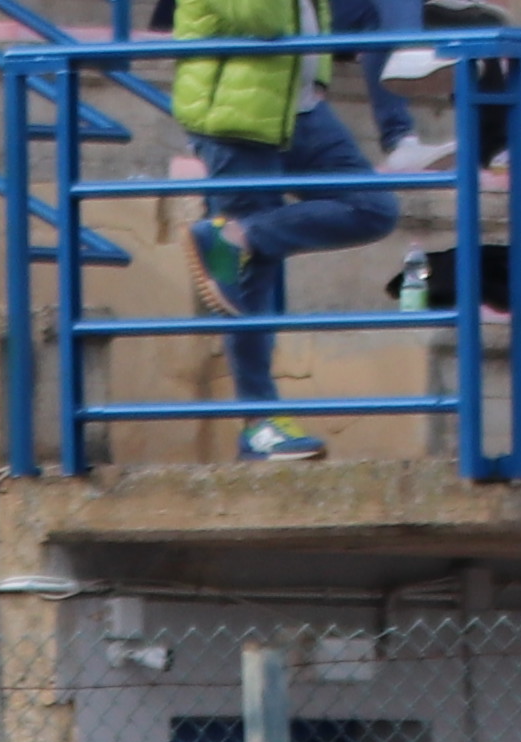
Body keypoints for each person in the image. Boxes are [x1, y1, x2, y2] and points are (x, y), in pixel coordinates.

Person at [172, 0, 399, 461]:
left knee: (374, 207)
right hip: (236, 113)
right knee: (250, 281)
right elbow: (264, 18)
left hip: (301, 109)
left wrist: (318, 77)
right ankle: (260, 424)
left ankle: (239, 235)